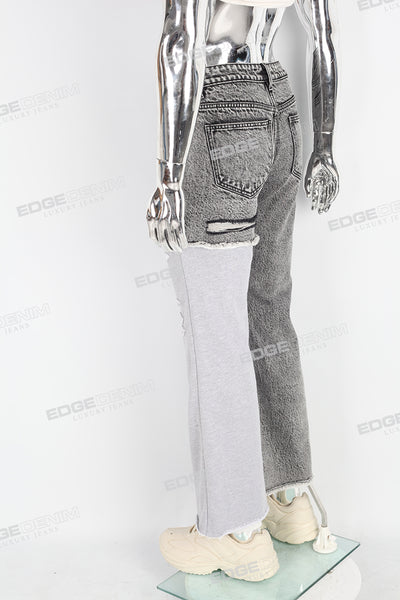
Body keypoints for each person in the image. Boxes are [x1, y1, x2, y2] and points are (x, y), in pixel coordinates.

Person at [146, 0, 339, 582]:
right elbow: (323, 38)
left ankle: (234, 533)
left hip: (218, 115)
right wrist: (324, 147)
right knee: (267, 311)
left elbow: (181, 42)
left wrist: (170, 177)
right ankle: (290, 501)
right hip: (281, 112)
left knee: (217, 334)